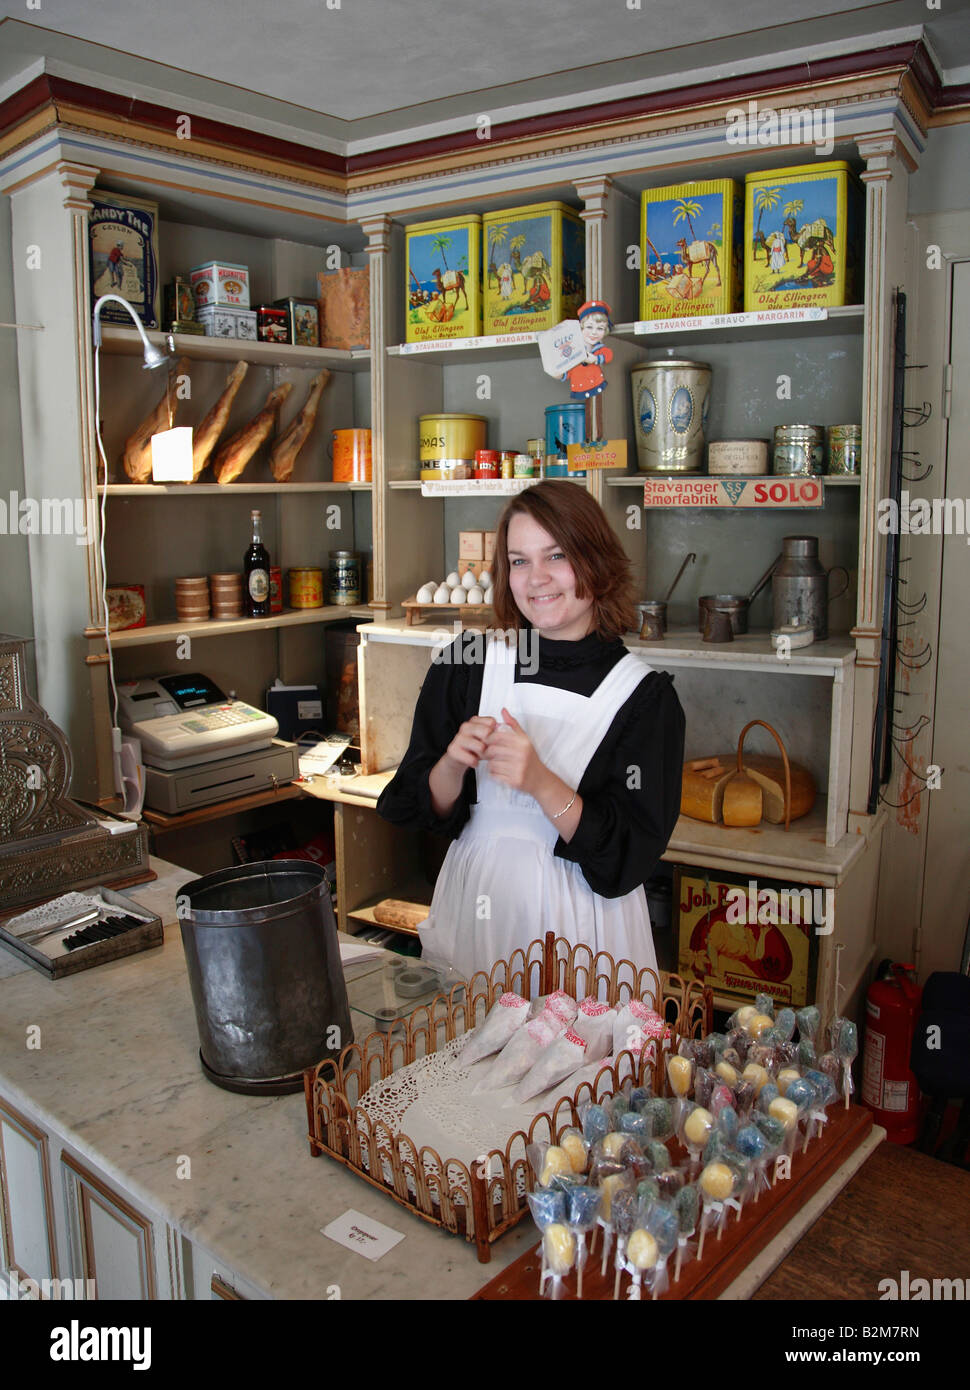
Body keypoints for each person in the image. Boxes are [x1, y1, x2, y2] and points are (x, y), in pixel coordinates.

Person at [377, 481, 686, 982]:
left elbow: (627, 861)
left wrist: (541, 782)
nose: (536, 579)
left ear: (596, 560)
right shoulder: (466, 663)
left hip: (583, 935)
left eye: (556, 556)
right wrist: (453, 765)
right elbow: (417, 807)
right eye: (518, 561)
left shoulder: (644, 699)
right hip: (475, 906)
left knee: (572, 1054)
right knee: (463, 1050)